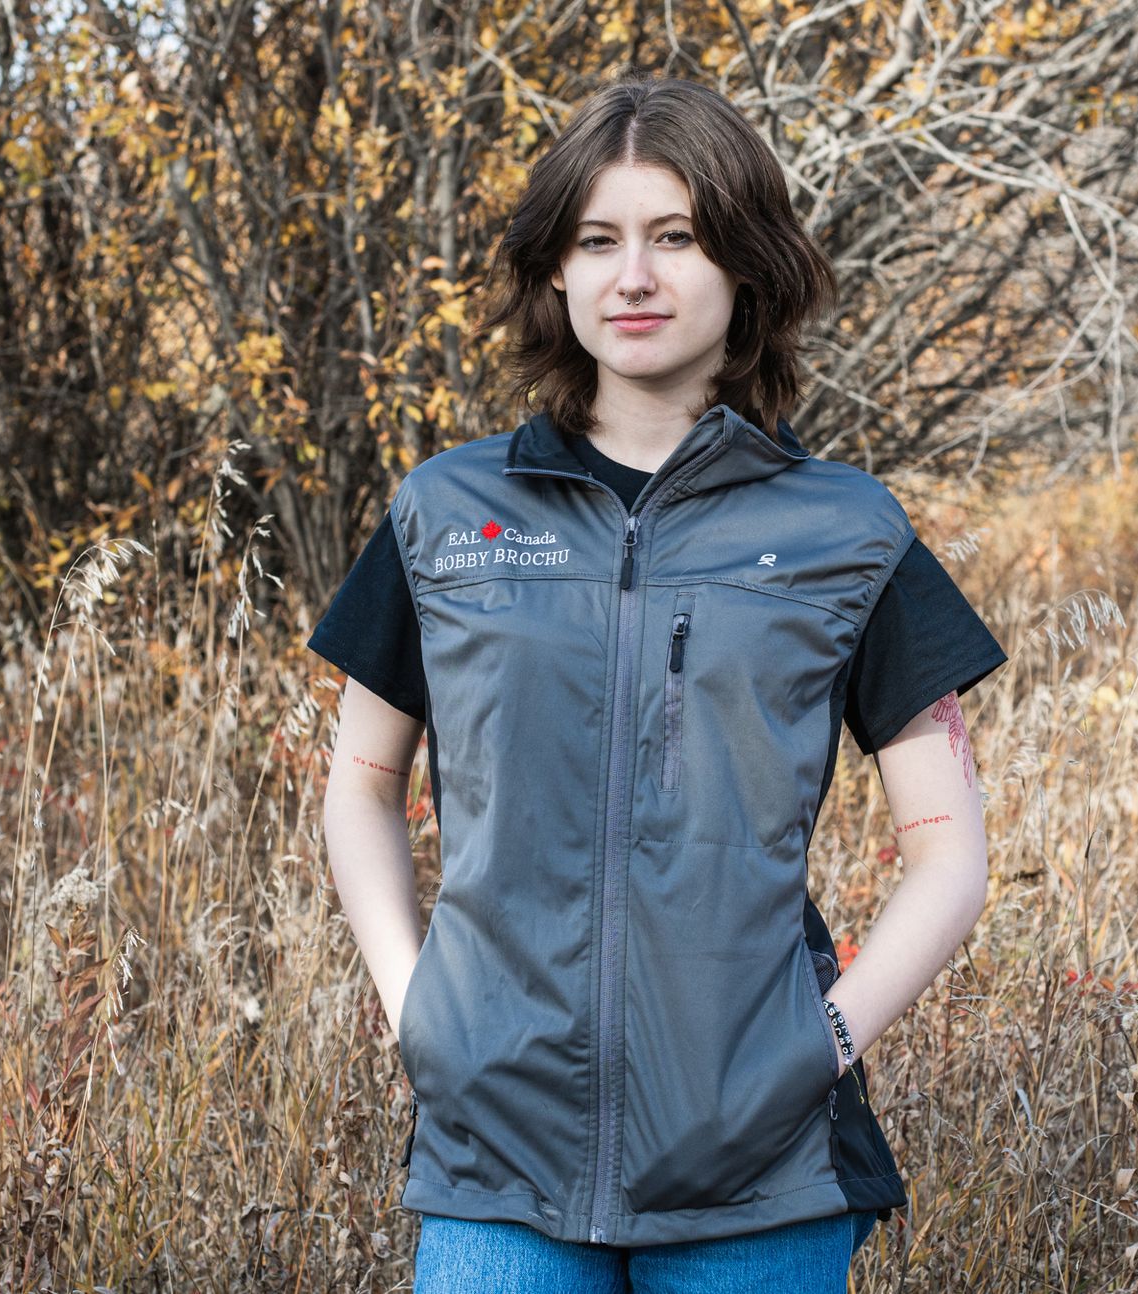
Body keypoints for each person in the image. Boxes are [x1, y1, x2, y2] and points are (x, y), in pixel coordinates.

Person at [308, 73, 1007, 1293]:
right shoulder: (447, 515)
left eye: (675, 237)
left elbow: (949, 852)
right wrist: (418, 1010)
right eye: (598, 240)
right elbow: (361, 788)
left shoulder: (846, 528)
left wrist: (819, 1045)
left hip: (759, 1165)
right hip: (496, 1160)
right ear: (557, 272)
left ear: (746, 266)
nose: (634, 276)